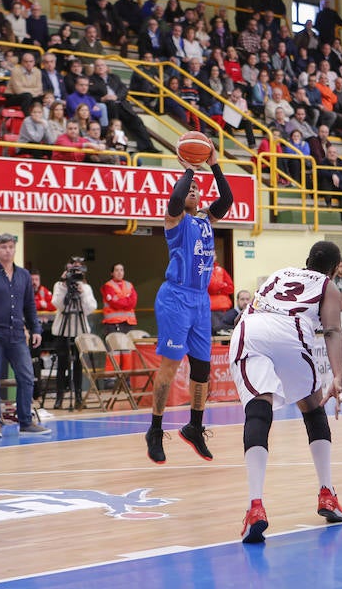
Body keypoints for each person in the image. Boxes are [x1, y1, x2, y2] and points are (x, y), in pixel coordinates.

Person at [231, 240, 342, 543]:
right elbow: (333, 330)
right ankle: (327, 493)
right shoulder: (328, 286)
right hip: (291, 330)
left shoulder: (280, 273)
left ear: (307, 259)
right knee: (313, 406)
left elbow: (254, 304)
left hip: (252, 327)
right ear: (336, 269)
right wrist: (337, 375)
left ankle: (255, 505)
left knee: (258, 409)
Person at [147, 144, 233, 464]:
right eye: (191, 189)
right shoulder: (175, 220)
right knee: (170, 366)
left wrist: (214, 166)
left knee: (202, 369)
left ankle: (194, 427)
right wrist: (190, 169)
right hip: (175, 297)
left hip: (200, 301)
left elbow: (227, 200)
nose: (196, 191)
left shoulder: (207, 220)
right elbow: (173, 199)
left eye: (198, 190)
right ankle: (155, 430)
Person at [0, 233, 51, 438]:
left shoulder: (24, 275)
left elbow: (29, 306)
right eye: (3, 247)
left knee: (26, 377)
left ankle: (26, 422)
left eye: (10, 247)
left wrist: (36, 329)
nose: (7, 251)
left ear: (15, 249)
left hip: (17, 334)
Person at [51, 259, 97, 410]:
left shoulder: (86, 288)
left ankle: (78, 396)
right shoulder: (59, 286)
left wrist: (82, 293)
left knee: (78, 365)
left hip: (79, 332)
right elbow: (58, 304)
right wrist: (65, 286)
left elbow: (90, 308)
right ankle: (59, 397)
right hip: (62, 332)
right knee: (62, 365)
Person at [101, 263, 137, 335]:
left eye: (121, 270)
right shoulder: (108, 286)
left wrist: (120, 298)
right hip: (113, 324)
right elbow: (115, 303)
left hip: (129, 323)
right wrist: (127, 299)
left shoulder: (129, 285)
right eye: (117, 270)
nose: (119, 272)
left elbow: (133, 302)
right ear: (112, 273)